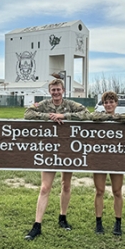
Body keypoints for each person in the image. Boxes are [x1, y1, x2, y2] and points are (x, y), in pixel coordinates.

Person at [23, 78, 90, 240]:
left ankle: (63, 217)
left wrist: (64, 115)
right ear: (49, 91)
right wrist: (50, 117)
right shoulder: (44, 104)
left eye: (58, 89)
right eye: (53, 90)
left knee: (66, 185)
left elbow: (86, 113)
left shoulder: (71, 104)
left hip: (68, 150)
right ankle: (37, 225)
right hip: (49, 150)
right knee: (45, 188)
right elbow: (28, 114)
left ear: (63, 90)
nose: (56, 92)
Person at [90, 91, 125, 236]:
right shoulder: (98, 117)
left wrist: (114, 118)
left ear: (116, 103)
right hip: (100, 160)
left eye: (111, 102)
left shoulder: (121, 119)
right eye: (106, 102)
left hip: (116, 160)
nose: (108, 105)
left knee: (117, 191)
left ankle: (118, 223)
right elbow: (92, 116)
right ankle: (98, 222)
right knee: (100, 191)